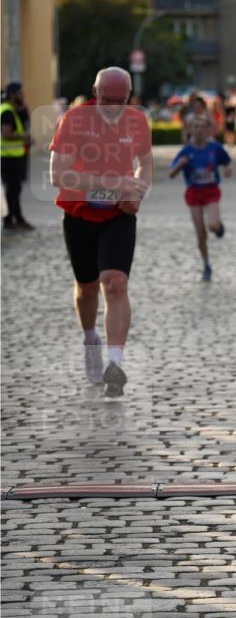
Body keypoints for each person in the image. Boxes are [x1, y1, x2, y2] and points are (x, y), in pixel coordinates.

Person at [49, 67, 152, 397]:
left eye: (120, 101)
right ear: (95, 92)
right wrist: (113, 183)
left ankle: (115, 363)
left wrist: (136, 191)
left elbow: (145, 163)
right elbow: (58, 175)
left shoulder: (136, 120)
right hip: (79, 212)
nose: (112, 107)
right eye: (106, 100)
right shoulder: (75, 120)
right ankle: (91, 338)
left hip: (117, 215)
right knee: (87, 288)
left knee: (115, 283)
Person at [169, 114, 232, 281]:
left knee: (211, 225)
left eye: (202, 127)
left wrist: (228, 169)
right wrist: (179, 166)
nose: (198, 131)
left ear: (208, 130)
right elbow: (171, 174)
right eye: (195, 127)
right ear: (190, 130)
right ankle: (206, 264)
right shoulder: (185, 151)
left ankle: (218, 228)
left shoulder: (214, 148)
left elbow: (227, 161)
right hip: (193, 193)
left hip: (211, 191)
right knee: (200, 231)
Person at [1, 81, 33, 230]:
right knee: (12, 190)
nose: (22, 95)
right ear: (13, 94)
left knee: (15, 189)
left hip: (14, 156)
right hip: (8, 157)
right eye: (20, 92)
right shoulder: (7, 111)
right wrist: (24, 137)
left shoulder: (13, 110)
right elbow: (6, 134)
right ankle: (9, 219)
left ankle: (16, 217)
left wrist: (23, 109)